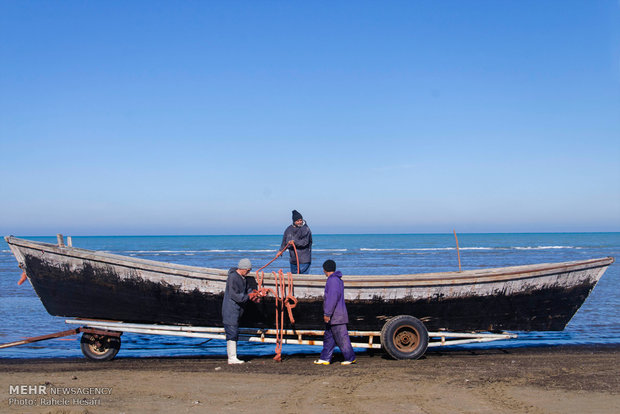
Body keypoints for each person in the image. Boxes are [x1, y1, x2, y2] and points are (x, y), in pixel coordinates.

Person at [314, 259, 356, 365]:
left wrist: (327, 314)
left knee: (342, 338)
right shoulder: (336, 279)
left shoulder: (332, 280)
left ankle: (350, 358)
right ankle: (325, 358)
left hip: (336, 316)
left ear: (325, 269)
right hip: (336, 315)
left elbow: (332, 298)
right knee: (329, 337)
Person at [221, 258, 260, 364]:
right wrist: (248, 296)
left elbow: (247, 289)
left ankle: (233, 357)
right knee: (232, 332)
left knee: (234, 331)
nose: (248, 272)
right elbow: (235, 295)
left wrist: (254, 294)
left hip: (237, 310)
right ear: (242, 269)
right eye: (247, 270)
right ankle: (232, 358)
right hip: (230, 309)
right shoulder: (233, 277)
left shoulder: (243, 278)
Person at [280, 209, 313, 274]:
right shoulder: (288, 229)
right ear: (294, 221)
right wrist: (281, 251)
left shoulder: (306, 229)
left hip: (304, 260)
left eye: (301, 220)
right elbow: (284, 241)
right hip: (293, 260)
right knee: (294, 279)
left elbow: (305, 242)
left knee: (302, 279)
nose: (300, 222)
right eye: (297, 221)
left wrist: (294, 242)